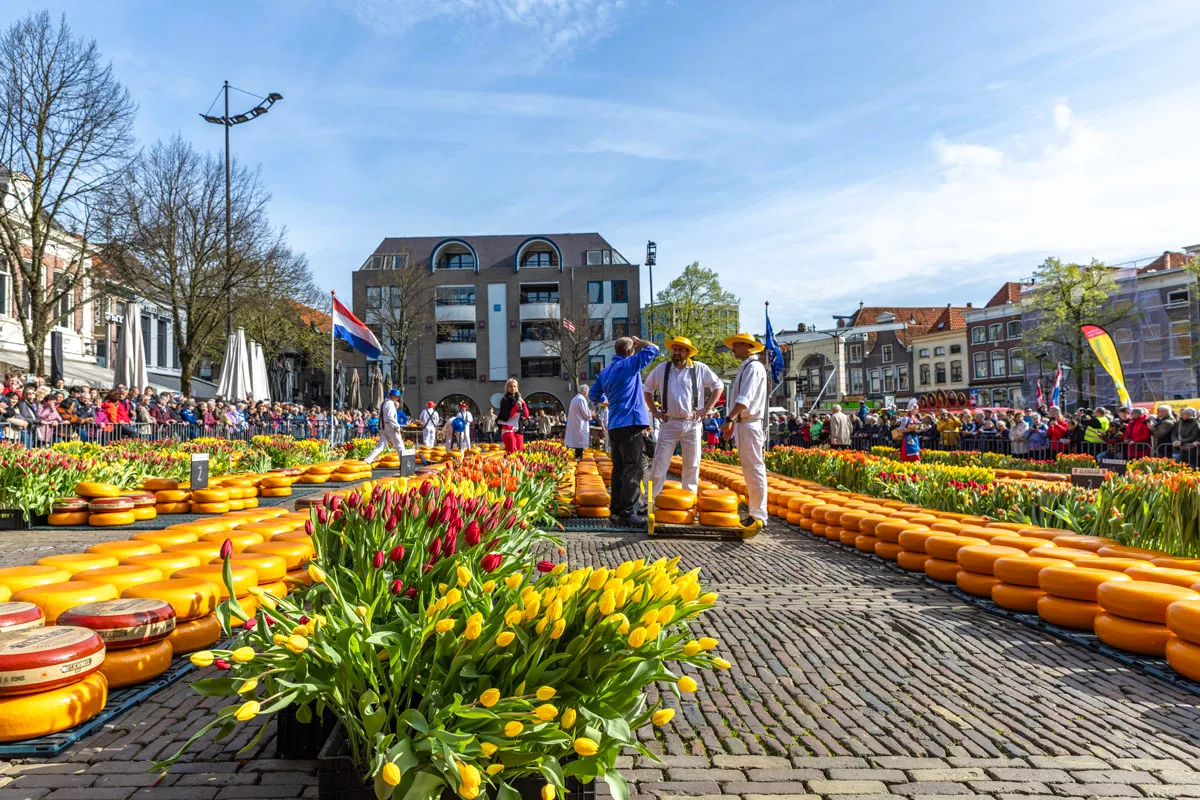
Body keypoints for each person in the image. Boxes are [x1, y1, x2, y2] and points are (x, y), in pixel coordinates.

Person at [642, 336, 723, 499]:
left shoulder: (699, 369)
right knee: (659, 463)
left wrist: (707, 408)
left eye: (680, 350)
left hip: (692, 423)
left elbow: (718, 385)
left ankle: (689, 501)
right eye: (674, 349)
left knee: (692, 464)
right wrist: (654, 411)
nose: (676, 353)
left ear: (688, 352)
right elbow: (647, 389)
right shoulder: (662, 369)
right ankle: (648, 501)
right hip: (669, 422)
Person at [590, 335, 659, 526]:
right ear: (630, 351)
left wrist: (611, 402)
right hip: (631, 422)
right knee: (634, 467)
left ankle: (617, 508)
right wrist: (640, 341)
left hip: (615, 424)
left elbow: (594, 395)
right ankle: (629, 512)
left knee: (619, 468)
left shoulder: (605, 371)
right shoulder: (629, 364)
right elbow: (654, 349)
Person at [721, 332, 767, 530]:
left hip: (749, 422)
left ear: (746, 347)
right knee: (749, 468)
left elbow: (744, 398)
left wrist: (730, 418)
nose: (733, 350)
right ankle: (755, 511)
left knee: (754, 467)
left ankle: (758, 514)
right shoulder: (747, 367)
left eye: (736, 346)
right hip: (744, 422)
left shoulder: (754, 368)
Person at [365, 389, 406, 465]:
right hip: (390, 426)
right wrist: (397, 426)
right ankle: (404, 464)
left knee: (381, 445)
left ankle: (368, 460)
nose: (398, 398)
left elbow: (381, 416)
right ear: (393, 396)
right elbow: (390, 417)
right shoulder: (390, 404)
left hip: (383, 426)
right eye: (397, 397)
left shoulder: (383, 403)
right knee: (400, 445)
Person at [498, 378, 530, 453]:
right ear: (507, 388)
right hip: (508, 429)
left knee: (520, 452)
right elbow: (507, 416)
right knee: (512, 452)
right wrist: (516, 407)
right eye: (511, 386)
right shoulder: (505, 400)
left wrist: (523, 404)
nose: (513, 388)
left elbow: (526, 415)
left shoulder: (519, 398)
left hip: (518, 428)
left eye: (515, 386)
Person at [564, 384, 592, 459]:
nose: (588, 393)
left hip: (576, 425)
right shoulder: (581, 399)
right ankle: (579, 461)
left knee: (577, 446)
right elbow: (586, 414)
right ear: (585, 391)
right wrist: (591, 414)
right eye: (588, 391)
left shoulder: (575, 398)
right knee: (579, 446)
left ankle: (578, 460)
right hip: (580, 426)